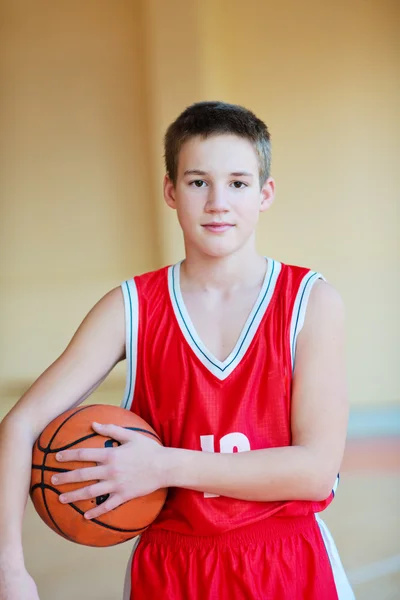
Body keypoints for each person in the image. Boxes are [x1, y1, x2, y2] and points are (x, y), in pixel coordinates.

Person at [0, 101, 355, 600]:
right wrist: (10, 571)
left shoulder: (310, 302)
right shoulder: (131, 308)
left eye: (237, 182)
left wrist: (164, 465)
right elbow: (19, 425)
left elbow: (316, 471)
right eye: (197, 182)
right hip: (169, 570)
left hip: (288, 562)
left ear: (265, 193)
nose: (217, 202)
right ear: (170, 191)